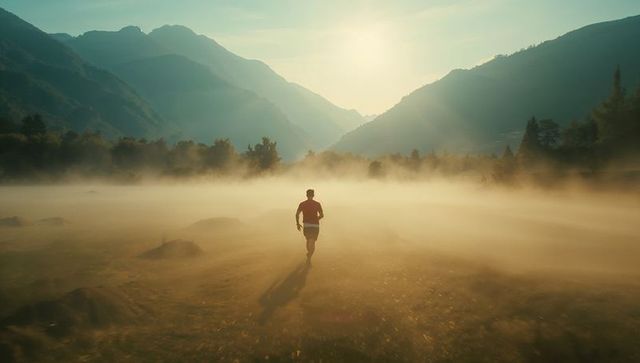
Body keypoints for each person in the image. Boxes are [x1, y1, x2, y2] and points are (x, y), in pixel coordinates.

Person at [296, 189, 323, 260]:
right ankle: (310, 255)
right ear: (313, 195)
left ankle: (309, 253)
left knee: (308, 241)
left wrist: (298, 224)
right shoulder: (317, 204)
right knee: (313, 241)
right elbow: (322, 215)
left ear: (306, 195)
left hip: (307, 225)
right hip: (315, 225)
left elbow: (297, 214)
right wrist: (317, 219)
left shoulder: (302, 204)